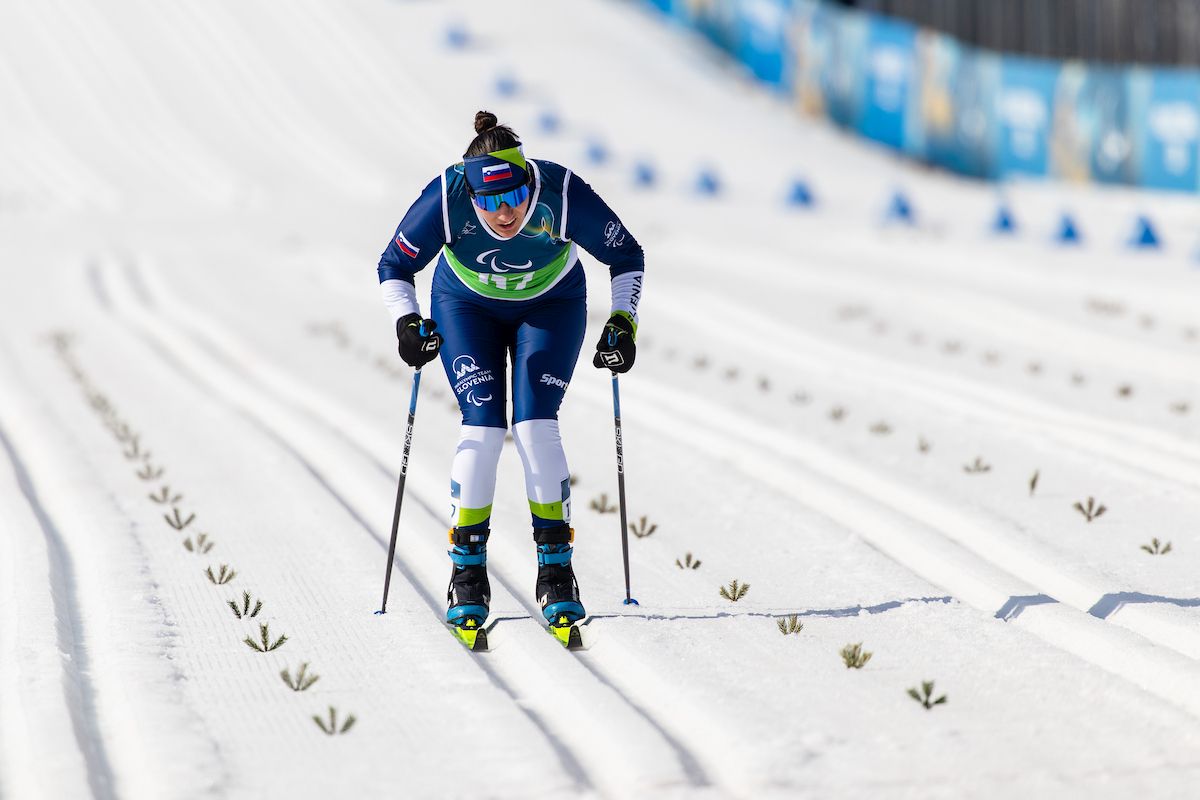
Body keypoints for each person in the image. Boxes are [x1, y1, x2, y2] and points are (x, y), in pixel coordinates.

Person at [377, 111, 644, 632]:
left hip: (550, 305)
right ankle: (467, 574)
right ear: (471, 193)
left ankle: (557, 573)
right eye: (489, 201)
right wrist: (406, 322)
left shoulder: (561, 193)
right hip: (466, 306)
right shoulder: (447, 198)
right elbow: (395, 265)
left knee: (535, 424)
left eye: (515, 196)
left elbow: (627, 255)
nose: (504, 212)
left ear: (528, 181)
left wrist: (622, 322)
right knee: (482, 427)